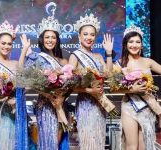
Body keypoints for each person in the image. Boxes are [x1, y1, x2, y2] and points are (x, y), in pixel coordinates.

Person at [0, 20, 30, 150]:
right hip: (1, 111)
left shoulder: (15, 63)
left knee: (17, 142)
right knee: (3, 141)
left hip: (18, 110)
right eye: (3, 43)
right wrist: (4, 98)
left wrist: (24, 49)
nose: (6, 46)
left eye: (9, 44)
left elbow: (21, 78)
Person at [69, 13, 114, 150]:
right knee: (88, 141)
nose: (89, 37)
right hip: (85, 104)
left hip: (100, 103)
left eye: (92, 35)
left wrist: (109, 53)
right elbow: (69, 85)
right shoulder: (75, 55)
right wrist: (89, 90)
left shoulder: (99, 55)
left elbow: (109, 75)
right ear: (79, 35)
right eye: (86, 34)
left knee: (99, 140)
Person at [25, 15, 69, 150]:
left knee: (57, 143)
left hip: (60, 105)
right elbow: (28, 81)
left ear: (57, 40)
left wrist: (62, 97)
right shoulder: (35, 58)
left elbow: (69, 85)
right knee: (47, 143)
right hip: (45, 105)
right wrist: (48, 95)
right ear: (42, 39)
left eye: (53, 37)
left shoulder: (63, 62)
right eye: (47, 37)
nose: (50, 40)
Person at [120, 25, 161, 150]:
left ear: (141, 44)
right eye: (131, 41)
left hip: (147, 106)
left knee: (144, 145)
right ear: (126, 44)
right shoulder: (120, 63)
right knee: (132, 146)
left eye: (137, 42)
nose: (134, 45)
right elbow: (114, 87)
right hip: (129, 106)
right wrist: (132, 89)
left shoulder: (148, 61)